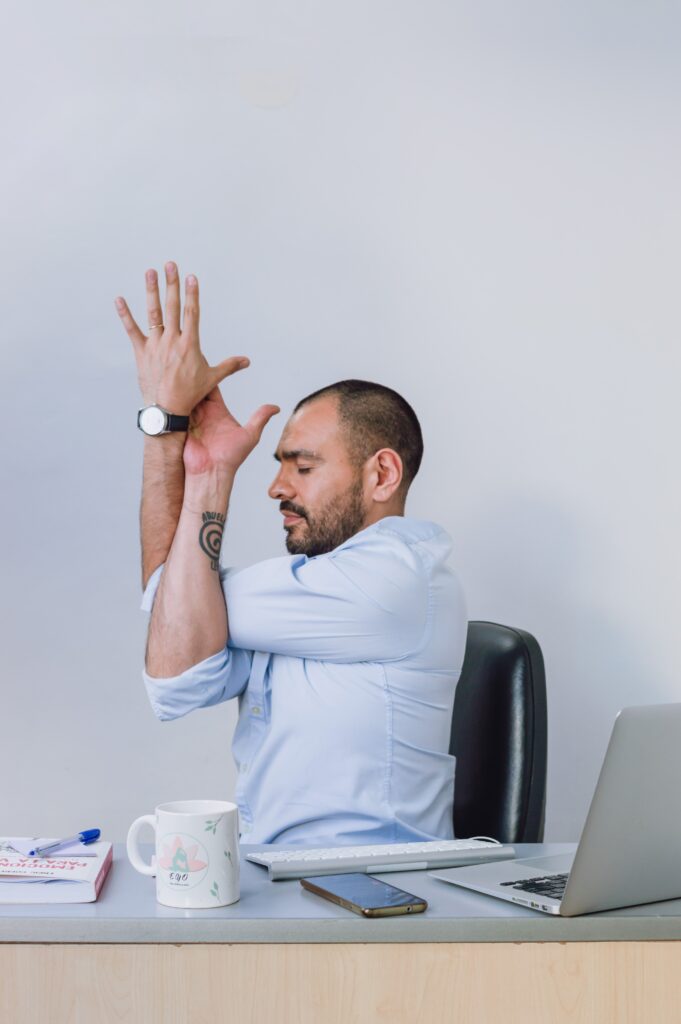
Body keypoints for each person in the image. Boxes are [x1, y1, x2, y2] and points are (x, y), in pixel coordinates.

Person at [115, 261, 467, 846]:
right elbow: (173, 676)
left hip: (377, 901)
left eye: (302, 467)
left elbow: (171, 599)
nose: (277, 486)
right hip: (281, 884)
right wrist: (188, 453)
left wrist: (177, 440)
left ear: (382, 474)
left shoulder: (398, 580)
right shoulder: (308, 590)